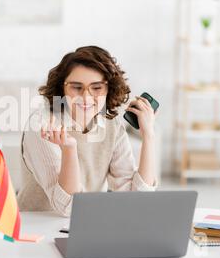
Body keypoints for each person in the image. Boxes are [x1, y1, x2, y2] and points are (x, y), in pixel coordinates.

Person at [17, 46, 158, 217]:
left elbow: (135, 199)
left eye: (96, 88)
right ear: (63, 89)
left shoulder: (112, 125)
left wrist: (148, 136)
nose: (86, 97)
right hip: (37, 225)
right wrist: (69, 149)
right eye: (77, 87)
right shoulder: (42, 124)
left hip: (89, 222)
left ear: (108, 89)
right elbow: (69, 207)